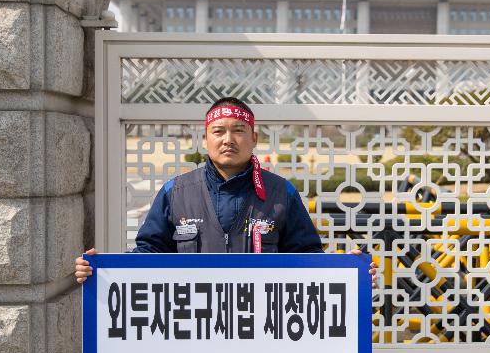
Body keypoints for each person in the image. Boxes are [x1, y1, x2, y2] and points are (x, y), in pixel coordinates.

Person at [75, 96, 376, 282]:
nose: (228, 139)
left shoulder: (281, 194)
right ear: (205, 140)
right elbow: (149, 253)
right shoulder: (176, 192)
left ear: (254, 137)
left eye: (238, 131)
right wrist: (102, 269)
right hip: (193, 331)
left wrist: (349, 271)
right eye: (218, 131)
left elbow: (307, 258)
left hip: (265, 332)